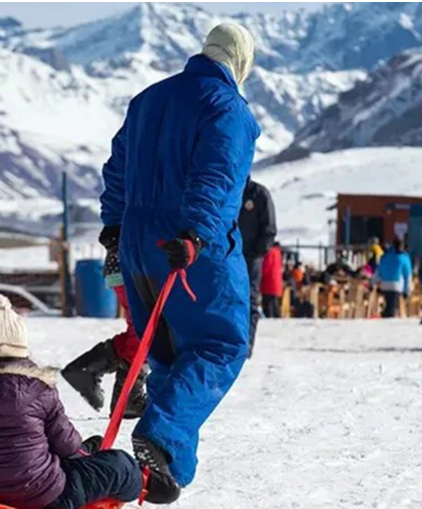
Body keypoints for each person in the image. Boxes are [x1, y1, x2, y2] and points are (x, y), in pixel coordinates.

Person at [98, 22, 260, 503]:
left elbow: (117, 168)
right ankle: (161, 437)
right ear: (241, 61)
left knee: (169, 352)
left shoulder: (147, 100)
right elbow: (218, 175)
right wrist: (197, 233)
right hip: (189, 247)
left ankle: (167, 470)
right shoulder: (227, 108)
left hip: (136, 244)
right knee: (220, 344)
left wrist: (114, 226)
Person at [0, 295, 144, 509]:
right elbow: (68, 448)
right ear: (22, 351)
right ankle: (150, 484)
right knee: (121, 465)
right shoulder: (41, 392)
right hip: (42, 498)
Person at [62, 245, 147, 419]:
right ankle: (128, 397)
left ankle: (88, 368)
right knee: (144, 331)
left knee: (140, 329)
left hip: (129, 264)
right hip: (132, 266)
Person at [238, 177, 277, 356]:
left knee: (249, 299)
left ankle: (246, 345)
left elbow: (269, 229)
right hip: (228, 256)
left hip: (250, 258)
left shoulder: (259, 194)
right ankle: (229, 344)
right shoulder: (230, 188)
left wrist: (256, 253)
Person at [375, 238, 412, 318]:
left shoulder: (385, 256)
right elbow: (407, 275)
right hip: (397, 284)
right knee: (393, 303)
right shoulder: (404, 258)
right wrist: (407, 290)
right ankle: (390, 314)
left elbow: (378, 271)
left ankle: (386, 312)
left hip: (384, 284)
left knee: (389, 300)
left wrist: (375, 283)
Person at [260, 242, 283, 319]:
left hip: (268, 282)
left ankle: (269, 317)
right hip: (276, 282)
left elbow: (266, 267)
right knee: (274, 302)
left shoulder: (270, 252)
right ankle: (276, 317)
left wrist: (260, 275)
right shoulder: (278, 254)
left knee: (268, 303)